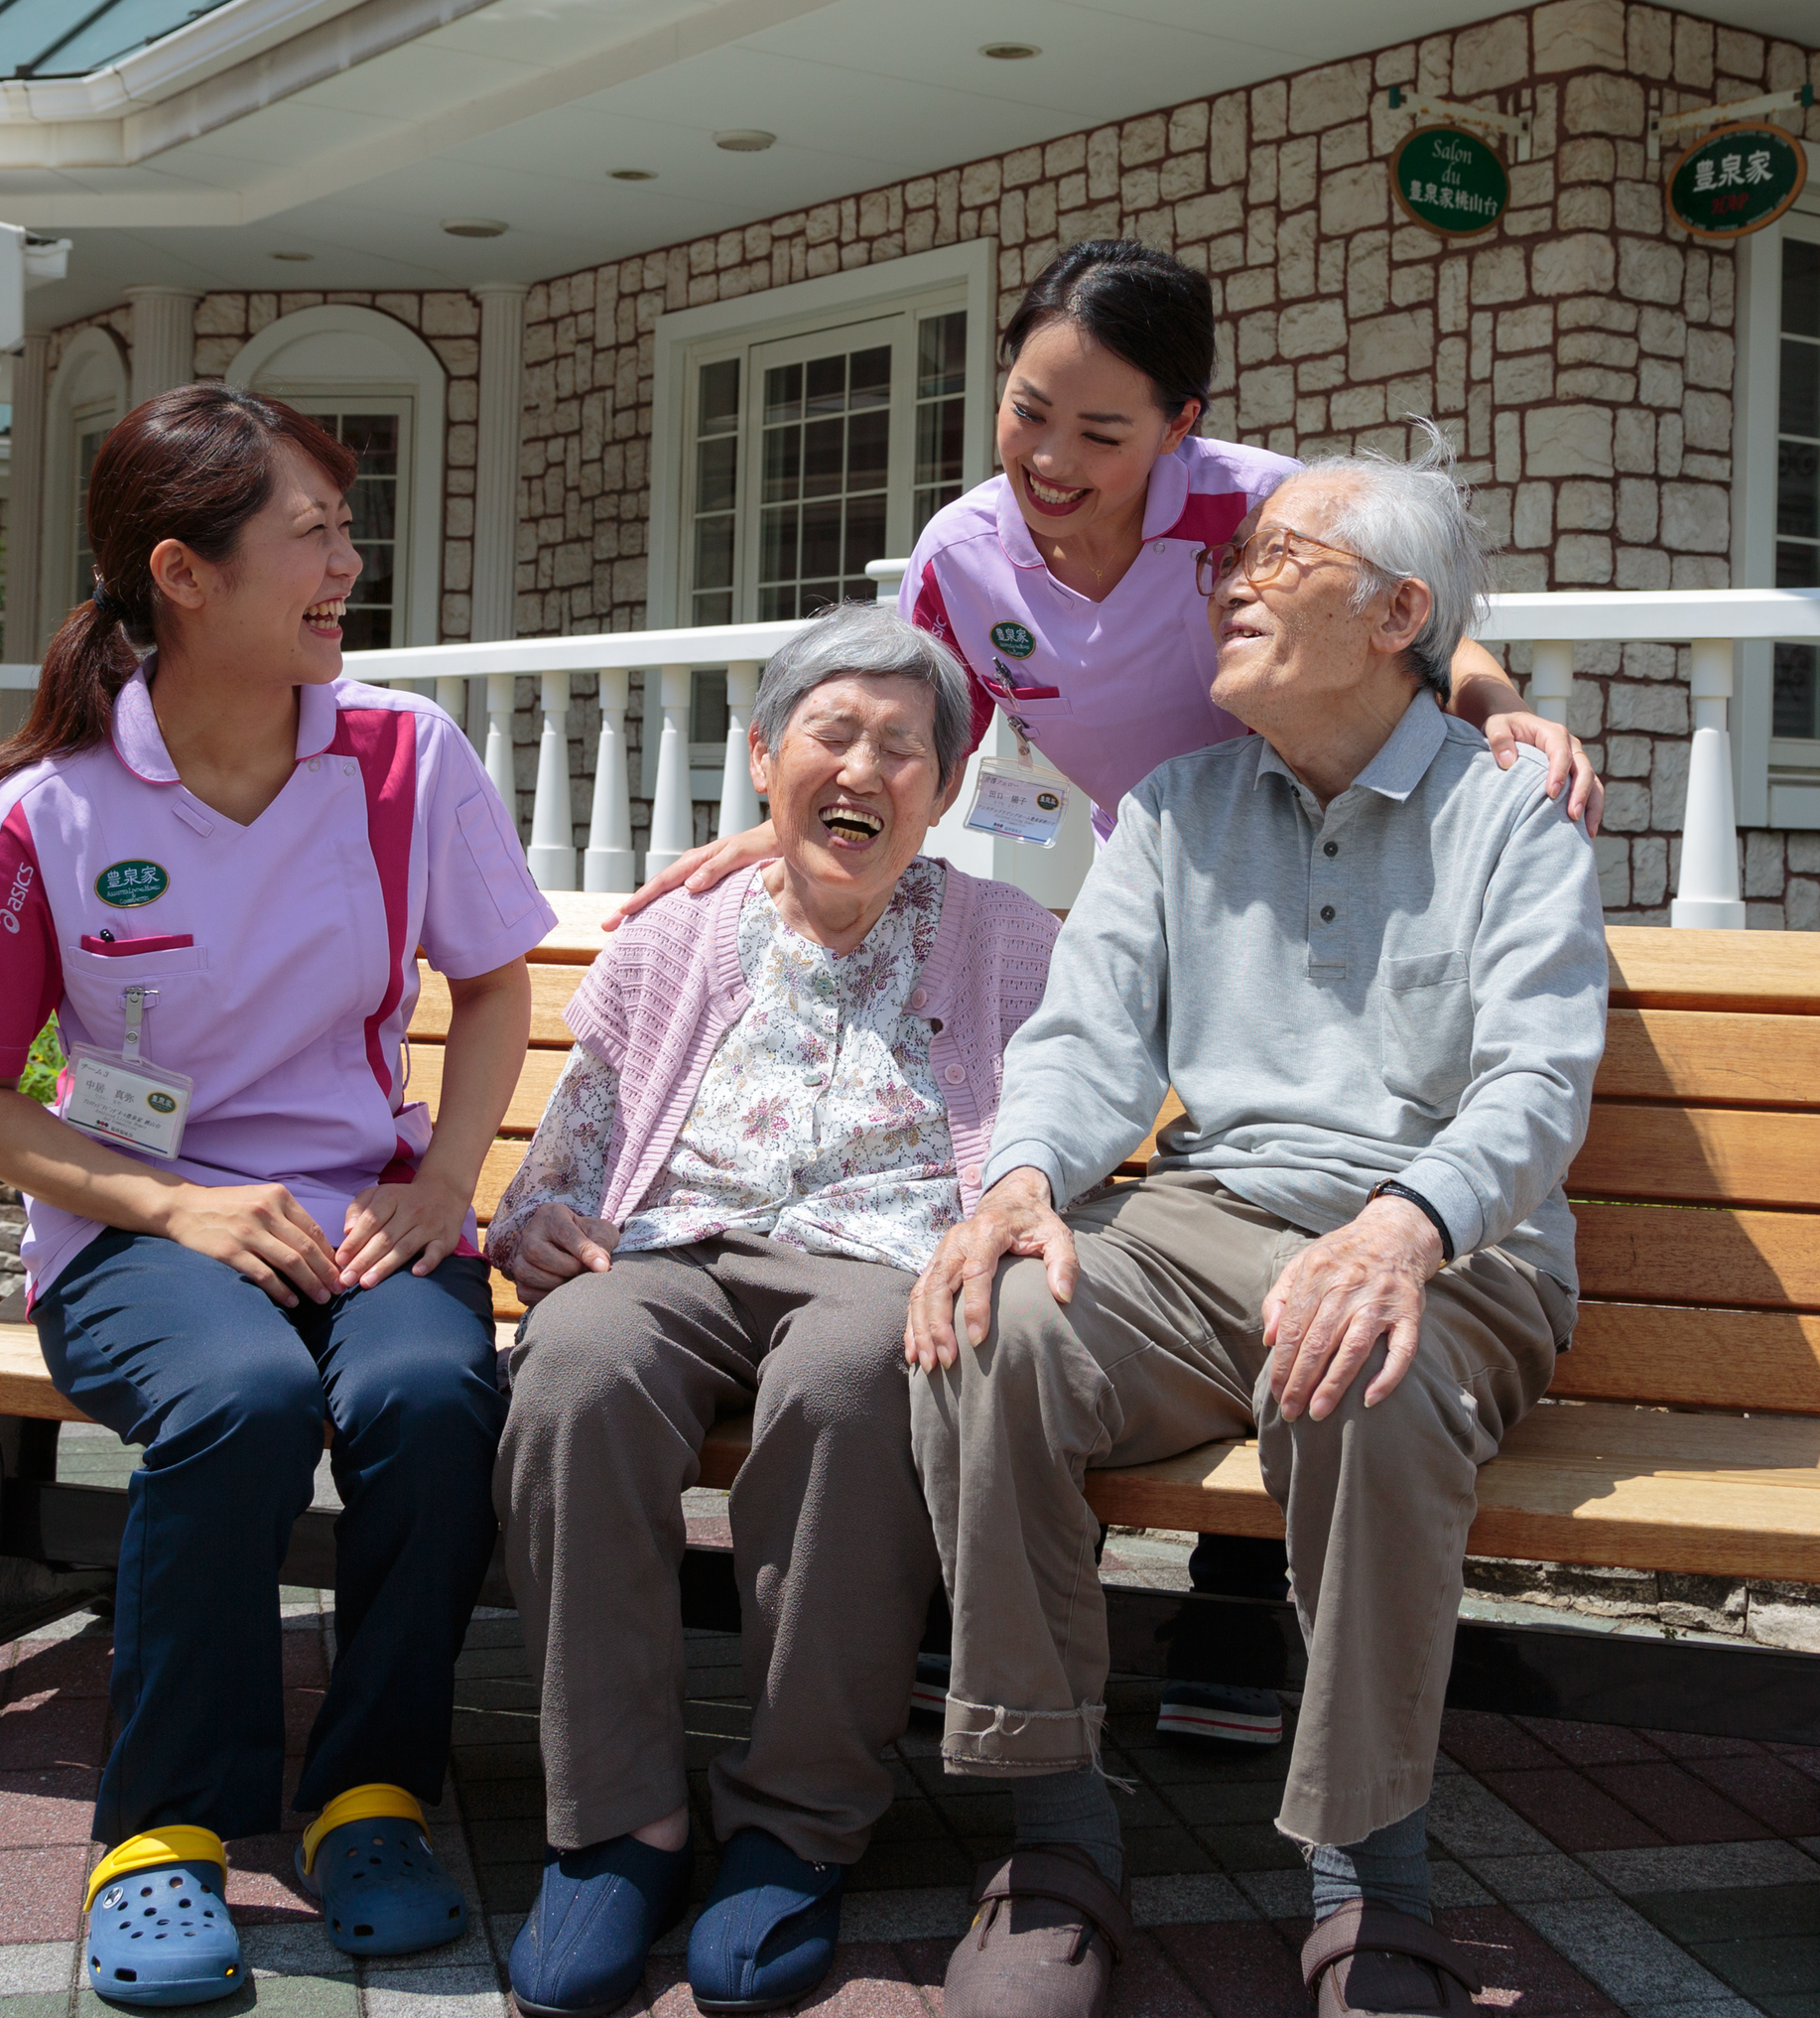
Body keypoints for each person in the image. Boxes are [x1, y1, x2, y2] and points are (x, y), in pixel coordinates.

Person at [625, 236, 1603, 1748]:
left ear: (1181, 427)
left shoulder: (1261, 520)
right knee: (1028, 1292)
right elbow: (924, 734)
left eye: (1104, 430)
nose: (1055, 458)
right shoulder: (978, 567)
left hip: (1369, 995)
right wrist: (795, 817)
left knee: (1347, 1347)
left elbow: (1412, 608)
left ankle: (1275, 1699)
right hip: (1187, 859)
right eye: (1029, 412)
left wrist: (1500, 715)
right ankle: (1041, 1789)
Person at [902, 433, 1608, 2018]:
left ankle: (1373, 1878)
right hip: (1208, 1225)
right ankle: (1056, 1835)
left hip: (1451, 1247)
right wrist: (1019, 1180)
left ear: (1395, 615)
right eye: (1239, 558)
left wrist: (1407, 1226)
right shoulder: (1175, 811)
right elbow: (1085, 1045)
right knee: (987, 1322)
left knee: (1364, 1367)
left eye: (1280, 557)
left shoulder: (1510, 819)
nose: (1231, 582)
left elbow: (1539, 1078)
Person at [0, 385, 558, 2013]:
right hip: (137, 1224)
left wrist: (445, 1187)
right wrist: (176, 1212)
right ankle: (163, 1832)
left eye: (346, 525)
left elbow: (489, 987)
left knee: (423, 1393)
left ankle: (374, 1793)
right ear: (182, 574)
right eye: (312, 533)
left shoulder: (403, 757)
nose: (350, 560)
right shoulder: (51, 812)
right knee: (244, 1400)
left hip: (361, 1202)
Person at [482, 605, 1060, 2018]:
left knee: (860, 1374)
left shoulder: (1003, 934)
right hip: (680, 1247)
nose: (866, 771)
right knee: (575, 1363)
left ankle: (794, 1825)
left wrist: (1002, 1228)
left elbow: (1061, 1131)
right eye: (833, 734)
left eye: (905, 750)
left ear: (945, 787)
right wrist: (537, 1218)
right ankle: (617, 1822)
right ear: (762, 758)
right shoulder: (675, 937)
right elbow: (572, 1151)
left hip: (885, 1259)